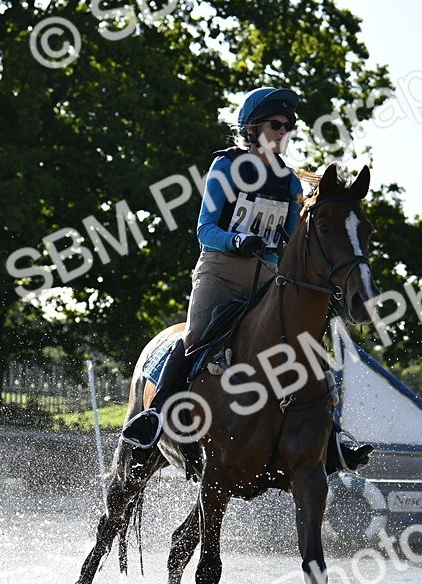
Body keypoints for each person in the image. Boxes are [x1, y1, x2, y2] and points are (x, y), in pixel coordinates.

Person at [121, 87, 371, 472]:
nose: (283, 132)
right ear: (252, 129)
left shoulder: (288, 182)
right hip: (220, 270)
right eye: (276, 124)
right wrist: (238, 238)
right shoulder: (225, 168)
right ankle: (152, 417)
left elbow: (293, 237)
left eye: (288, 126)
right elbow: (205, 229)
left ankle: (332, 437)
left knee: (307, 347)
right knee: (195, 336)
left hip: (268, 278)